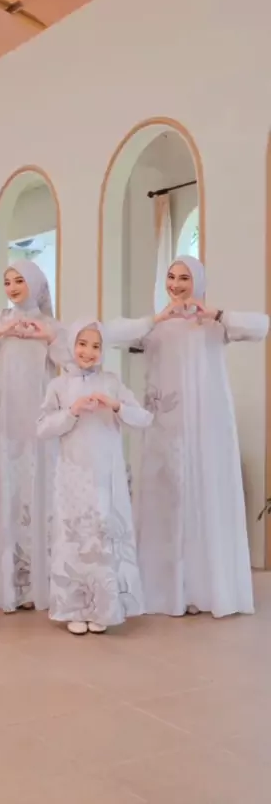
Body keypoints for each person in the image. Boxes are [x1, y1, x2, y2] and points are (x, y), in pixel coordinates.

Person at [134, 255, 269, 618]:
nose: (176, 284)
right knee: (168, 502)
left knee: (202, 499)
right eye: (171, 277)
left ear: (197, 283)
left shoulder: (213, 325)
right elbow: (111, 334)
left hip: (206, 428)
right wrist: (156, 318)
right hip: (165, 430)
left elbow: (262, 326)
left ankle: (202, 589)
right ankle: (166, 591)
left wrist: (217, 314)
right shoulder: (156, 328)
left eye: (184, 278)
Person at [0, 260, 67, 613]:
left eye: (20, 280)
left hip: (37, 423)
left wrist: (46, 336)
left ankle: (36, 583)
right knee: (2, 488)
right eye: (7, 281)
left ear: (36, 283)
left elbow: (74, 361)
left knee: (36, 489)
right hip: (1, 423)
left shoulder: (51, 325)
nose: (13, 287)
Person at [37, 320, 151, 635]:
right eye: (82, 344)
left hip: (106, 476)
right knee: (74, 536)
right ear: (71, 345)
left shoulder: (111, 382)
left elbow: (143, 418)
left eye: (96, 346)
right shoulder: (58, 386)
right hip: (72, 476)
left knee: (102, 535)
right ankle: (74, 607)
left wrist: (115, 406)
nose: (88, 351)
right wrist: (71, 411)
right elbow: (42, 428)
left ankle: (103, 608)